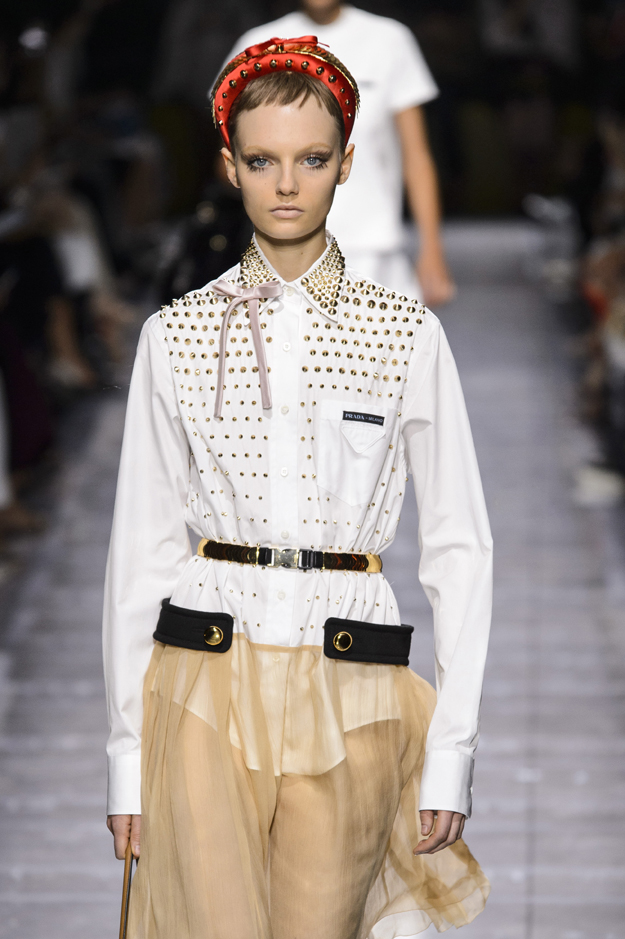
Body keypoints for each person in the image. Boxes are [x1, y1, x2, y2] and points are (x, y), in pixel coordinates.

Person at [104, 37, 492, 938]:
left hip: (351, 678)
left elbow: (459, 547)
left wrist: (452, 754)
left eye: (311, 159)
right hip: (201, 676)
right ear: (229, 166)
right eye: (262, 161)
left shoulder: (403, 334)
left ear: (346, 163)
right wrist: (125, 760)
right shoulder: (175, 334)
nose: (286, 184)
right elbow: (140, 556)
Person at [227, 1, 455, 308]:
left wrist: (432, 250)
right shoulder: (256, 46)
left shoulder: (388, 40)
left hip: (373, 252)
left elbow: (416, 157)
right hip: (280, 255)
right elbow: (231, 156)